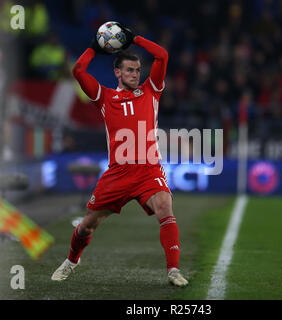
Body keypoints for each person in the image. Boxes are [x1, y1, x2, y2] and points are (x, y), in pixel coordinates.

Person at [51, 24, 188, 287]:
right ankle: (71, 260)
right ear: (117, 72)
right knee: (86, 226)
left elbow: (162, 56)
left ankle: (173, 270)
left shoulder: (151, 90)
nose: (135, 74)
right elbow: (78, 71)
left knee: (165, 207)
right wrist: (94, 46)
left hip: (149, 170)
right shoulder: (105, 97)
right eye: (129, 70)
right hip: (118, 173)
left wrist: (134, 38)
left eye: (137, 70)